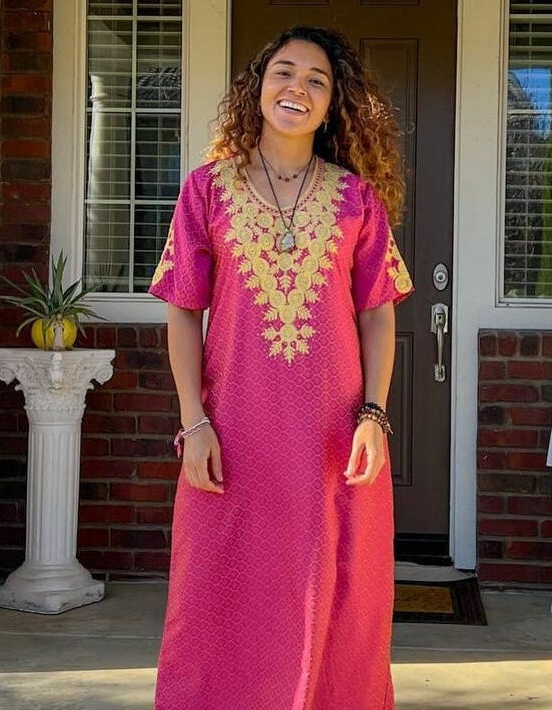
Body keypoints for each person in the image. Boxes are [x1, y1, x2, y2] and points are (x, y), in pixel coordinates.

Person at [147, 26, 412, 710]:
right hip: (232, 437)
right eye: (283, 72)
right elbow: (183, 310)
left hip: (332, 439)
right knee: (219, 597)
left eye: (317, 80)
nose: (298, 87)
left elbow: (378, 314)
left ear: (334, 104)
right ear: (258, 87)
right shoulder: (206, 191)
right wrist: (193, 423)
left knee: (339, 601)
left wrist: (375, 415)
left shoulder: (356, 199)